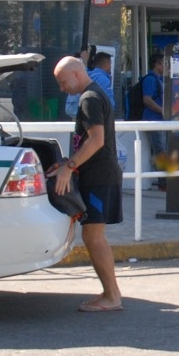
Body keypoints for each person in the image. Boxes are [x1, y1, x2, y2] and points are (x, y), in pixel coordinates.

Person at [50, 56, 123, 313]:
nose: (62, 88)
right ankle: (109, 292)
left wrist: (68, 169)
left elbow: (96, 141)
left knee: (93, 235)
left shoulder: (89, 98)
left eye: (63, 82)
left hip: (100, 177)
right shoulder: (93, 94)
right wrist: (66, 164)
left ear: (76, 74)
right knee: (92, 234)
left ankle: (112, 296)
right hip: (97, 175)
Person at [141, 53, 168, 189]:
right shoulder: (151, 80)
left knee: (161, 149)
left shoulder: (160, 79)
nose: (165, 66)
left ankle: (165, 179)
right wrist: (162, 111)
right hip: (153, 120)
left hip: (159, 120)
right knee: (160, 150)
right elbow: (147, 99)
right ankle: (164, 182)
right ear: (157, 65)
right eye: (163, 63)